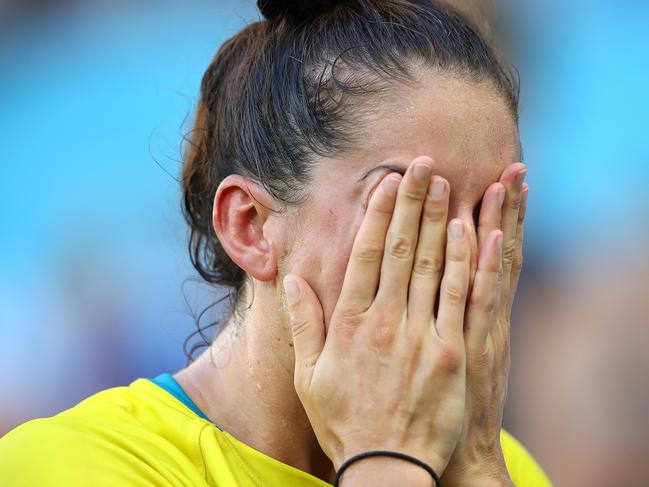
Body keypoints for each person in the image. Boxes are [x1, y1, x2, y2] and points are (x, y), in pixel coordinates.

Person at [0, 0, 553, 485]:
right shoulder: (71, 464)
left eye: (489, 213)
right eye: (411, 206)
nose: (456, 259)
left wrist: (478, 467)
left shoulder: (504, 469)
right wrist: (386, 464)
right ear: (249, 226)